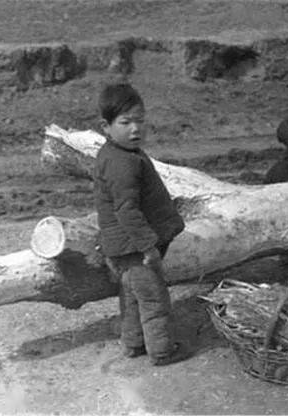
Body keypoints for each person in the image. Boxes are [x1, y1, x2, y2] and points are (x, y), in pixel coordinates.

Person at [94, 83, 188, 366]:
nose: (135, 129)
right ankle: (162, 350)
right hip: (135, 248)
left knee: (134, 296)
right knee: (154, 299)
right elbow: (126, 210)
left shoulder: (121, 153)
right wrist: (148, 246)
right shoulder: (122, 163)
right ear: (106, 127)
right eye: (125, 122)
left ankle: (134, 342)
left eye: (140, 121)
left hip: (124, 247)